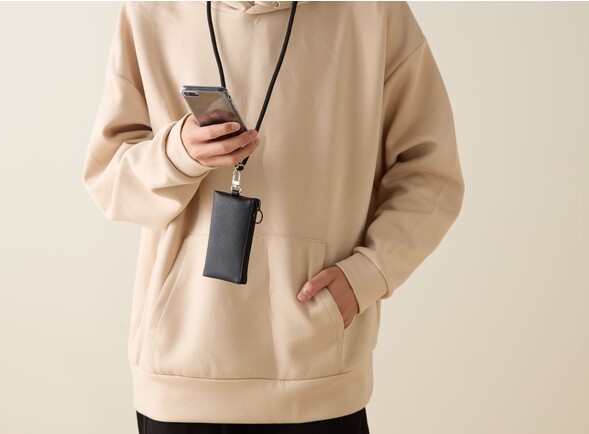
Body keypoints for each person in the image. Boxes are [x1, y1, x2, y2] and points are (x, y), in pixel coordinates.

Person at [82, 1, 464, 433]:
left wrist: (368, 274)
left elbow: (431, 175)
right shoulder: (150, 11)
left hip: (317, 380)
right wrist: (177, 153)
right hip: (180, 378)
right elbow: (109, 181)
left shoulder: (374, 13)